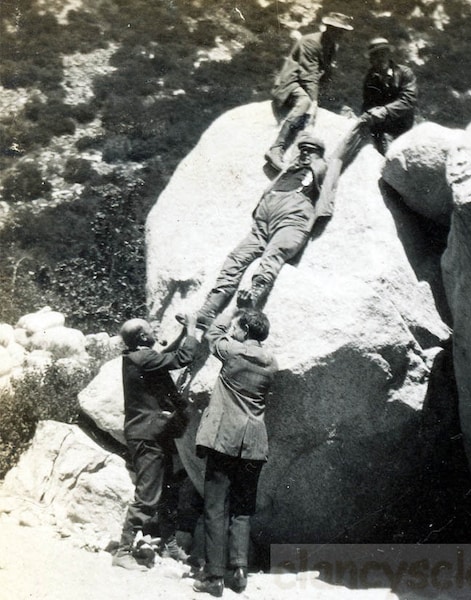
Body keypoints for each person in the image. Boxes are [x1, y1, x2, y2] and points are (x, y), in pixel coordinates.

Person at [179, 135, 329, 331]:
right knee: (236, 258)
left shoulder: (320, 169)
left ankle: (245, 315)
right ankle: (207, 313)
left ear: (319, 155)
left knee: (271, 259)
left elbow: (337, 157)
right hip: (262, 223)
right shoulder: (289, 168)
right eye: (302, 149)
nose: (305, 153)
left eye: (311, 150)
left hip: (291, 221)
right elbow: (272, 156)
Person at [192, 308, 278, 597]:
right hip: (254, 444)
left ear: (243, 330)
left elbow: (213, 334)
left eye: (238, 327)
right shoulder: (271, 363)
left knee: (215, 506)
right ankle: (239, 571)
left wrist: (230, 313)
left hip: (225, 440)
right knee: (242, 509)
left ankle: (214, 576)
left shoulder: (234, 352)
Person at [112, 313, 201, 571]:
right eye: (151, 329)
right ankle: (123, 551)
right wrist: (193, 330)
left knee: (169, 490)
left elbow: (163, 355)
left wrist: (184, 335)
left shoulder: (137, 356)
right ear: (142, 336)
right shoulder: (143, 358)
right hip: (147, 436)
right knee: (148, 496)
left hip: (154, 434)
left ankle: (170, 545)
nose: (155, 331)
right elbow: (181, 358)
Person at [319, 37, 417, 207]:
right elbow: (368, 104)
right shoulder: (371, 78)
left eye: (382, 54)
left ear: (388, 54)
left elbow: (408, 101)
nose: (379, 60)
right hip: (382, 129)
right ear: (370, 59)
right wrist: (364, 117)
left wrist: (384, 111)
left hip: (403, 128)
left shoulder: (405, 74)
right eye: (374, 56)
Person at [265, 11, 353, 171]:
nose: (340, 34)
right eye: (337, 29)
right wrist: (314, 100)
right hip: (291, 84)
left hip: (308, 85)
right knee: (305, 102)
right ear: (328, 28)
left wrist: (331, 100)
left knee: (339, 107)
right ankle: (276, 148)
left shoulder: (332, 46)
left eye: (342, 31)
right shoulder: (311, 42)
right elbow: (308, 75)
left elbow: (325, 75)